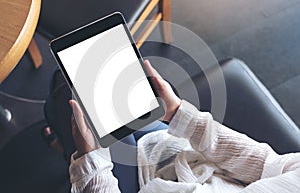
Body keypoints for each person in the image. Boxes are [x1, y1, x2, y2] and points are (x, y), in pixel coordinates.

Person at [53, 60, 300, 192]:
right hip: (194, 172)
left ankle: (58, 132)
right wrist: (180, 115)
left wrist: (91, 165)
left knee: (65, 99)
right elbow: (266, 164)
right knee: (126, 107)